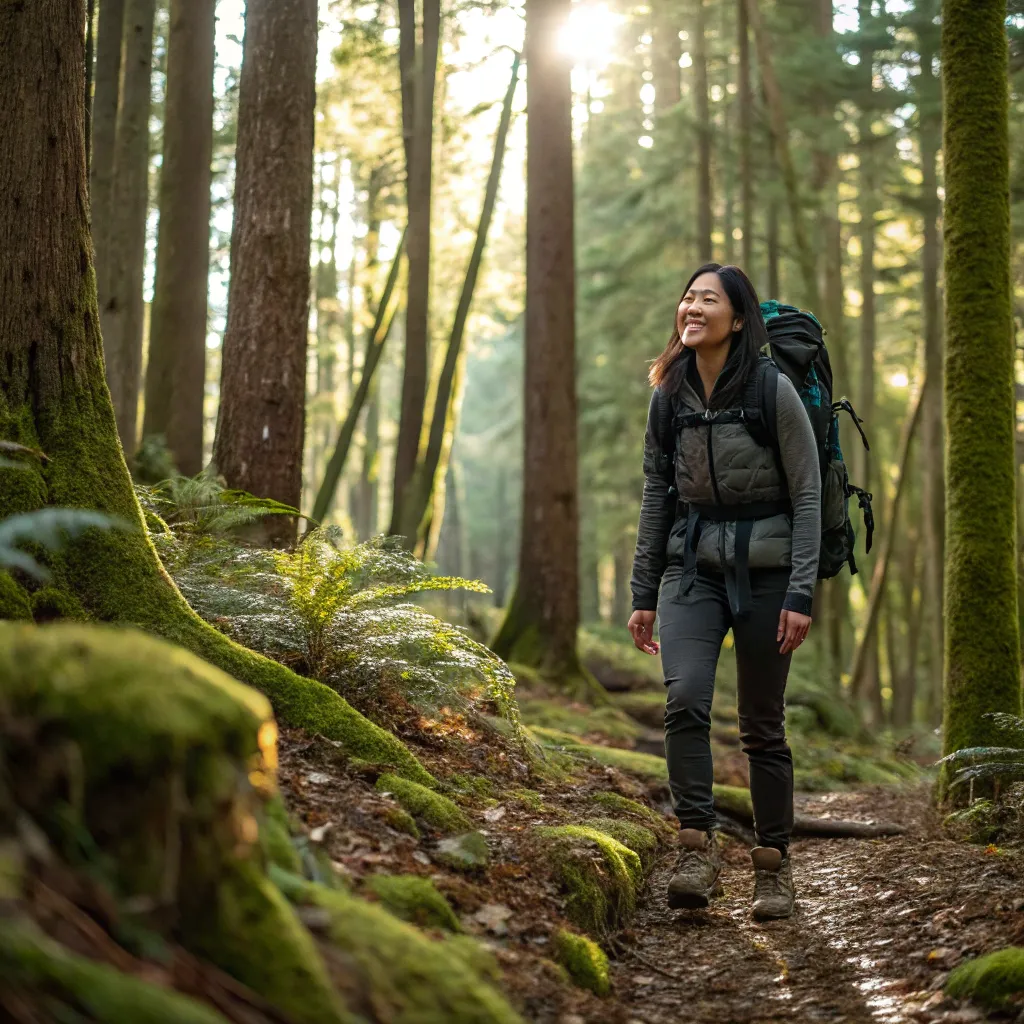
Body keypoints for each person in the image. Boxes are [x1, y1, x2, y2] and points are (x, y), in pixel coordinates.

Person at [626, 263, 820, 921]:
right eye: (687, 296)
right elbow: (657, 492)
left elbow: (807, 492)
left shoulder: (773, 390)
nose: (692, 306)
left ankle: (772, 868)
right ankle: (695, 849)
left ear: (737, 320)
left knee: (763, 727)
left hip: (768, 576)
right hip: (692, 571)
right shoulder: (669, 393)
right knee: (684, 700)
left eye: (708, 299)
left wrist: (801, 592)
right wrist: (643, 589)